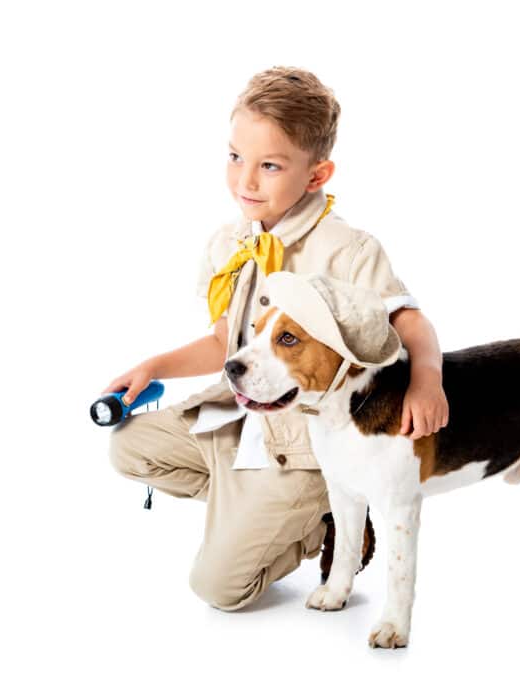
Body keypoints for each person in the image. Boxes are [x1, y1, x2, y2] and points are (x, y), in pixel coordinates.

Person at [104, 66, 449, 611]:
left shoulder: (347, 250)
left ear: (317, 175)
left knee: (219, 589)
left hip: (308, 444)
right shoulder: (231, 242)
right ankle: (251, 511)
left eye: (269, 165)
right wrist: (155, 367)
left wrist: (427, 379)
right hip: (241, 420)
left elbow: (411, 323)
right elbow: (226, 343)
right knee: (128, 447)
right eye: (236, 157)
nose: (246, 180)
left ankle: (324, 515)